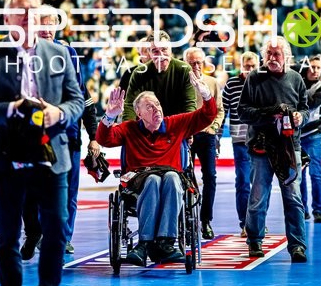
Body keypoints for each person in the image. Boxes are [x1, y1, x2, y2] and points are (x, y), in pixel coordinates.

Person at [0, 0, 84, 286]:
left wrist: (59, 113)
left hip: (51, 154)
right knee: (6, 236)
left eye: (32, 11)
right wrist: (10, 109)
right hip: (6, 153)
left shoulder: (59, 53)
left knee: (57, 230)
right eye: (19, 12)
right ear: (6, 19)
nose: (27, 17)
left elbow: (76, 101)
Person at [96, 71, 217, 267]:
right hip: (140, 177)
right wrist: (110, 115)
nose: (157, 110)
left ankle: (165, 242)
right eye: (149, 107)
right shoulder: (129, 128)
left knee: (170, 177)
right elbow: (104, 139)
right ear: (139, 113)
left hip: (170, 175)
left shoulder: (175, 124)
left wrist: (206, 95)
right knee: (153, 180)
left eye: (158, 105)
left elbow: (207, 116)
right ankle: (145, 243)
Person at [20, 5, 100, 260]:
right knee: (33, 191)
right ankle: (38, 232)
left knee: (69, 191)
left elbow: (83, 99)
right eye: (42, 24)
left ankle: (62, 238)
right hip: (34, 134)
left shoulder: (69, 53)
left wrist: (94, 137)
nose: (46, 29)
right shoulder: (24, 55)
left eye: (50, 23)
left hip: (68, 135)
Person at [238, 36, 309, 263]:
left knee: (294, 198)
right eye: (268, 54)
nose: (272, 58)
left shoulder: (296, 79)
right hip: (261, 147)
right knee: (258, 197)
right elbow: (242, 112)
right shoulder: (254, 78)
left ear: (286, 56)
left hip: (289, 147)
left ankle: (297, 246)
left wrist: (300, 117)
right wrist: (270, 113)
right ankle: (254, 241)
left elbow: (305, 109)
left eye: (276, 54)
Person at [183, 46, 225, 240]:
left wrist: (214, 127)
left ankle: (205, 220)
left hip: (207, 135)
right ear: (186, 64)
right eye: (192, 63)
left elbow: (220, 110)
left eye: (199, 62)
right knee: (184, 178)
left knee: (210, 177)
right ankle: (184, 219)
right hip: (186, 136)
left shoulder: (212, 82)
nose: (196, 66)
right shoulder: (181, 83)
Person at [221, 51, 260, 236]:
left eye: (253, 66)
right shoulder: (231, 84)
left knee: (260, 182)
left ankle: (258, 221)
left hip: (261, 140)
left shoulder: (263, 83)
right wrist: (217, 138)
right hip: (240, 140)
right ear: (241, 66)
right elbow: (223, 112)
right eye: (247, 66)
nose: (250, 69)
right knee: (243, 181)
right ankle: (244, 223)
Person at [122, 30, 196, 121]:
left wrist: (187, 131)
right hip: (148, 127)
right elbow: (130, 105)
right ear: (149, 53)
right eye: (155, 51)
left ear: (170, 48)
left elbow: (189, 105)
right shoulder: (139, 73)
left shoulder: (184, 69)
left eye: (164, 49)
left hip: (177, 126)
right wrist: (128, 131)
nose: (161, 55)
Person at [299, 56, 321, 224]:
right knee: (300, 174)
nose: (315, 70)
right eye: (312, 67)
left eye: (318, 67)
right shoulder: (299, 82)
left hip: (315, 135)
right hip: (298, 135)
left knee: (315, 173)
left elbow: (310, 103)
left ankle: (318, 210)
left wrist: (297, 92)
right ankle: (303, 209)